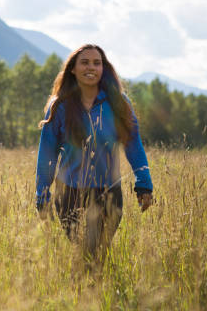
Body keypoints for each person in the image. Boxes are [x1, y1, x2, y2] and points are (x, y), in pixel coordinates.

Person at [35, 44, 153, 261]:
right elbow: (47, 154)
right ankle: (88, 291)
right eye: (85, 62)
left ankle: (89, 291)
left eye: (97, 63)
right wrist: (42, 195)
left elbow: (133, 143)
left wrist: (144, 184)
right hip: (69, 193)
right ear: (73, 69)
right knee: (87, 254)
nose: (91, 67)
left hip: (109, 193)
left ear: (103, 68)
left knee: (97, 254)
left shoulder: (118, 103)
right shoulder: (59, 105)